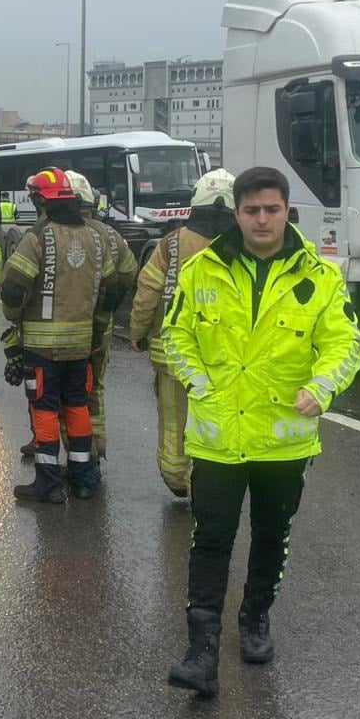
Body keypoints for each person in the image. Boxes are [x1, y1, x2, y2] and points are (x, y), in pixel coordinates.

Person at [162, 166, 360, 696]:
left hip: (283, 439)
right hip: (218, 439)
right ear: (237, 214)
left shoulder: (318, 277)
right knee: (210, 540)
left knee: (272, 536)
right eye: (251, 210)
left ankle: (254, 618)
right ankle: (201, 648)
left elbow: (347, 344)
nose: (261, 219)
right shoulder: (202, 270)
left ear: (285, 212)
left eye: (270, 209)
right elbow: (175, 333)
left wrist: (322, 388)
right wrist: (197, 381)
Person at [0, 168, 119, 503]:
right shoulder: (96, 237)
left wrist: (13, 317)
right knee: (78, 406)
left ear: (41, 200)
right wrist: (98, 324)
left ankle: (49, 484)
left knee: (45, 409)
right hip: (81, 347)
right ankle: (83, 481)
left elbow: (13, 286)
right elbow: (112, 288)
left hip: (42, 349)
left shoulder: (39, 237)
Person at [130, 168, 236, 497]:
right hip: (228, 358)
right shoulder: (245, 246)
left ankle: (177, 474)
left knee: (175, 418)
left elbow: (147, 291)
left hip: (173, 355)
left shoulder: (171, 244)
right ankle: (211, 480)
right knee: (219, 421)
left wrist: (138, 332)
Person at [67, 171, 136, 474]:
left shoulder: (55, 231)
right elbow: (129, 273)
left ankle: (77, 450)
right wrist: (109, 305)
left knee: (66, 390)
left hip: (65, 329)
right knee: (95, 385)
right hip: (101, 326)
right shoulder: (110, 234)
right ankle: (97, 444)